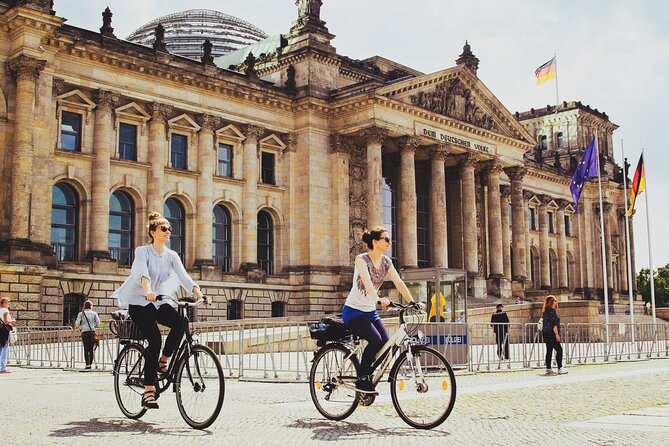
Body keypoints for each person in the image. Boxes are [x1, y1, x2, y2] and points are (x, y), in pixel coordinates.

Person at [113, 211, 207, 409]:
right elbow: (141, 272)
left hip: (158, 301)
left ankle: (164, 361)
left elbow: (185, 277)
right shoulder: (142, 251)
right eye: (164, 229)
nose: (168, 232)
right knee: (154, 340)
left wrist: (199, 295)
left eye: (170, 229)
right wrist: (147, 291)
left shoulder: (171, 255)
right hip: (140, 302)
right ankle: (148, 391)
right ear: (153, 232)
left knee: (181, 323)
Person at [342, 226, 422, 394]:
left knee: (386, 345)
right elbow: (367, 282)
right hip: (353, 311)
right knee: (376, 339)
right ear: (375, 242)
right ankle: (363, 378)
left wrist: (412, 302)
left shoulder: (386, 262)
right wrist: (378, 299)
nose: (389, 242)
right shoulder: (361, 259)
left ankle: (367, 374)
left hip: (370, 312)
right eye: (386, 239)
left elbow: (399, 283)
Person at [542, 295, 567, 375]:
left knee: (549, 350)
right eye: (555, 301)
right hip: (551, 334)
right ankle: (560, 368)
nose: (557, 302)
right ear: (552, 302)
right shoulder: (552, 312)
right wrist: (557, 335)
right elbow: (554, 325)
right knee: (559, 349)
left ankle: (548, 368)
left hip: (545, 333)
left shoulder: (545, 311)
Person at [75, 300, 100, 370]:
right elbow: (98, 324)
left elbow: (77, 323)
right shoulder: (94, 313)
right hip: (92, 332)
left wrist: (81, 326)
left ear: (84, 306)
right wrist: (93, 326)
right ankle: (91, 364)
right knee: (91, 349)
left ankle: (87, 364)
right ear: (91, 306)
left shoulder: (81, 314)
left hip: (84, 332)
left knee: (86, 348)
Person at [0, 297, 16, 374]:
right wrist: (12, 321)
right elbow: (6, 321)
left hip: (0, 330)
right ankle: (3, 368)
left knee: (0, 349)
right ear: (4, 303)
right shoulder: (5, 310)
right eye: (8, 302)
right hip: (4, 331)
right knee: (4, 349)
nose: (9, 303)